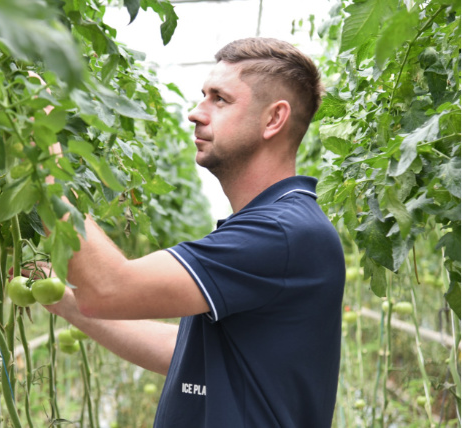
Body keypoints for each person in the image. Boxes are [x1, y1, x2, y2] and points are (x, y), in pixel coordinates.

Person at [42, 38, 345, 427]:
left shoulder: (283, 232)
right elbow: (187, 354)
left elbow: (108, 287)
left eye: (219, 99)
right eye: (203, 95)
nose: (195, 113)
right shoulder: (271, 226)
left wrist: (42, 152)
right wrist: (67, 302)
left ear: (273, 119)